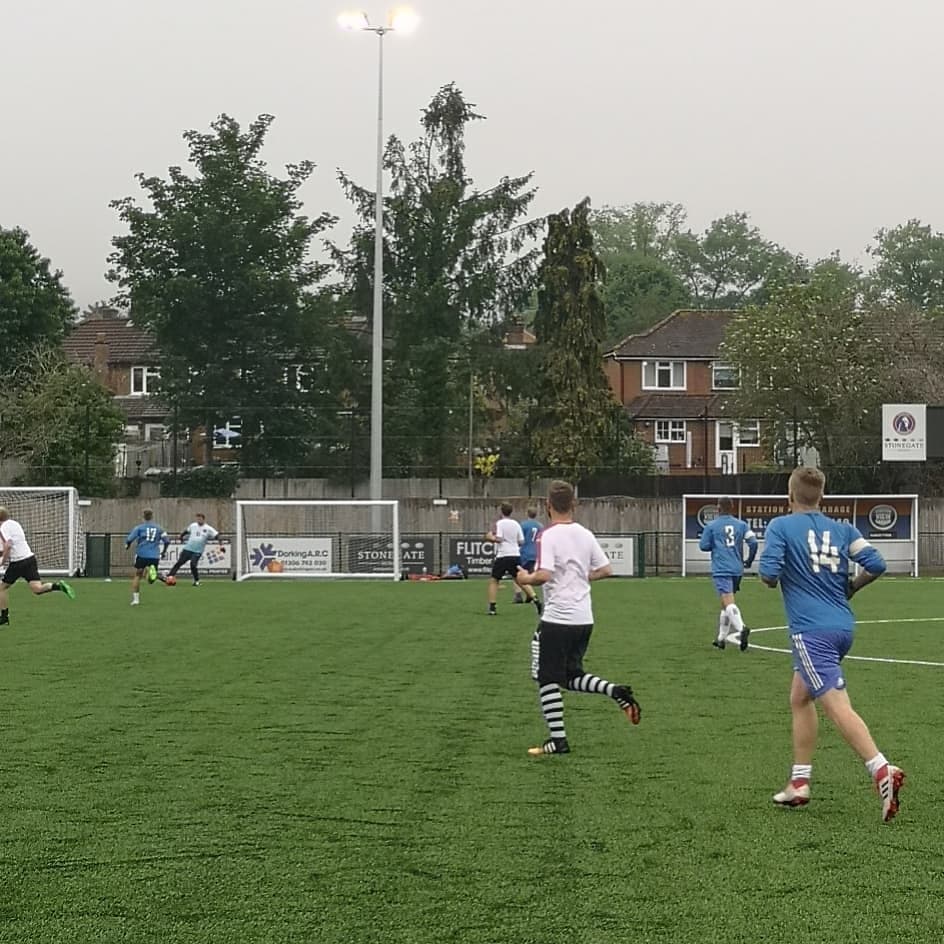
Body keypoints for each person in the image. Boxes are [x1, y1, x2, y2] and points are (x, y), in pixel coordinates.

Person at [759, 467, 905, 823]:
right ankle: (799, 782)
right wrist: (851, 587)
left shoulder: (780, 526)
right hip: (843, 626)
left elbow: (768, 574)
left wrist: (781, 569)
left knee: (836, 704)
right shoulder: (843, 529)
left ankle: (881, 769)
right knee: (800, 697)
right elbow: (877, 563)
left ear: (789, 496)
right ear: (822, 497)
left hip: (810, 631)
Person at [516, 480, 641, 756]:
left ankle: (557, 740)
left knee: (546, 677)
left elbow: (544, 574)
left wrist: (525, 578)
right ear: (574, 505)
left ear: (548, 506)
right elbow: (606, 569)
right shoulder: (585, 534)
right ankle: (616, 691)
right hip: (583, 618)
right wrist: (584, 576)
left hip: (558, 617)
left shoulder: (548, 535)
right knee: (570, 675)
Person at [699, 496, 758, 651]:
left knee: (728, 602)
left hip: (721, 568)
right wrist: (749, 560)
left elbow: (703, 546)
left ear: (718, 508)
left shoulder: (711, 526)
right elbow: (753, 542)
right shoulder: (741, 525)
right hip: (737, 568)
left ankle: (742, 628)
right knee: (725, 604)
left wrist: (716, 544)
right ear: (731, 508)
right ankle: (721, 639)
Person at [0, 506, 75, 625]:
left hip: (18, 562)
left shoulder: (3, 527)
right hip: (30, 559)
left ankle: (4, 617)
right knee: (37, 589)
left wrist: (2, 562)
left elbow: (8, 546)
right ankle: (58, 586)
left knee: (1, 588)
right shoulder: (15, 524)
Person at [486, 503, 541, 616]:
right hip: (515, 554)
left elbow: (499, 538)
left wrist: (490, 537)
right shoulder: (516, 523)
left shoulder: (500, 523)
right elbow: (521, 541)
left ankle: (492, 607)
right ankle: (536, 600)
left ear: (501, 511)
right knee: (520, 579)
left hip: (503, 554)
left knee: (494, 580)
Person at [126, 509, 171, 606]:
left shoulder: (139, 528)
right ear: (152, 516)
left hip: (142, 554)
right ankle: (152, 574)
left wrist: (128, 545)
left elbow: (129, 539)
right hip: (154, 556)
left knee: (138, 575)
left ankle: (136, 600)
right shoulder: (159, 528)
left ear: (143, 516)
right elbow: (167, 541)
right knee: (151, 578)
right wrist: (163, 552)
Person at [166, 512, 221, 586]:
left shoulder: (208, 528)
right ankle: (170, 576)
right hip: (188, 549)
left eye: (200, 518)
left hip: (197, 551)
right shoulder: (193, 525)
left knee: (193, 565)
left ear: (203, 519)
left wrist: (220, 544)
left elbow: (217, 535)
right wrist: (181, 536)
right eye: (197, 518)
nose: (199, 520)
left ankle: (197, 581)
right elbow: (186, 531)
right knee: (179, 563)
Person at [513, 507, 542, 604]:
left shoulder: (523, 525)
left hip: (525, 552)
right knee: (530, 575)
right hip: (536, 552)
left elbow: (519, 539)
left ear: (527, 513)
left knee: (517, 573)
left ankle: (518, 595)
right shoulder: (540, 526)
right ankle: (530, 596)